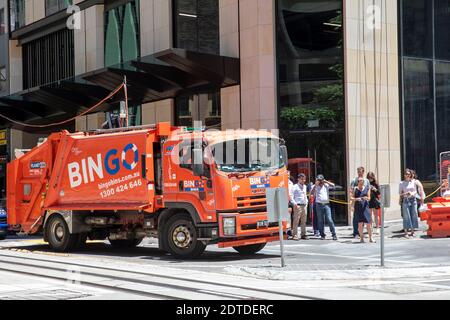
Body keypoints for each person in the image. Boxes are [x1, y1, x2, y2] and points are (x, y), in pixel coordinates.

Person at [310, 175, 338, 241]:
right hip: (318, 204)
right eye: (319, 180)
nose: (320, 182)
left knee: (329, 219)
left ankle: (334, 234)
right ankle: (322, 235)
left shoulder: (326, 185)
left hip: (326, 204)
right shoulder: (315, 186)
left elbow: (333, 185)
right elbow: (311, 193)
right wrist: (315, 185)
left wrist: (325, 181)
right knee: (320, 220)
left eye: (321, 180)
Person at [399, 169, 422, 238]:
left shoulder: (413, 182)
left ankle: (412, 231)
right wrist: (405, 193)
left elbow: (415, 191)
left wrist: (411, 193)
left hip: (413, 199)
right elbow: (400, 193)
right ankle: (406, 232)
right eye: (406, 174)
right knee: (406, 216)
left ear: (410, 175)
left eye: (409, 174)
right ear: (404, 175)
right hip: (406, 200)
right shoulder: (401, 183)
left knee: (414, 215)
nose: (407, 175)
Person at [351, 177, 375, 243]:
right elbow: (351, 198)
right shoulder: (355, 189)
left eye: (362, 181)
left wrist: (366, 198)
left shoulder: (367, 188)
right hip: (358, 208)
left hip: (365, 208)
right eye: (360, 181)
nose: (361, 183)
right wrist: (356, 199)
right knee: (360, 224)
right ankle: (361, 238)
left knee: (368, 224)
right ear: (357, 182)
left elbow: (369, 198)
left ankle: (370, 237)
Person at [350, 167, 370, 238]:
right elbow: (351, 191)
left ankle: (361, 233)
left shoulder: (367, 181)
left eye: (360, 172)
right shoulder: (354, 180)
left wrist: (367, 199)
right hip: (356, 202)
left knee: (363, 218)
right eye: (358, 172)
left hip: (364, 203)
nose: (359, 173)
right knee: (356, 218)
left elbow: (368, 191)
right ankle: (355, 233)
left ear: (363, 172)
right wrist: (352, 204)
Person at [291, 174, 309, 240]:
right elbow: (291, 196)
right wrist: (294, 204)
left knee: (304, 221)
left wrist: (306, 202)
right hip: (297, 205)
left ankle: (303, 234)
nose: (303, 180)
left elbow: (305, 195)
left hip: (304, 205)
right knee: (296, 220)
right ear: (298, 179)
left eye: (304, 179)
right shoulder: (294, 186)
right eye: (302, 179)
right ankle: (294, 235)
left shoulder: (305, 186)